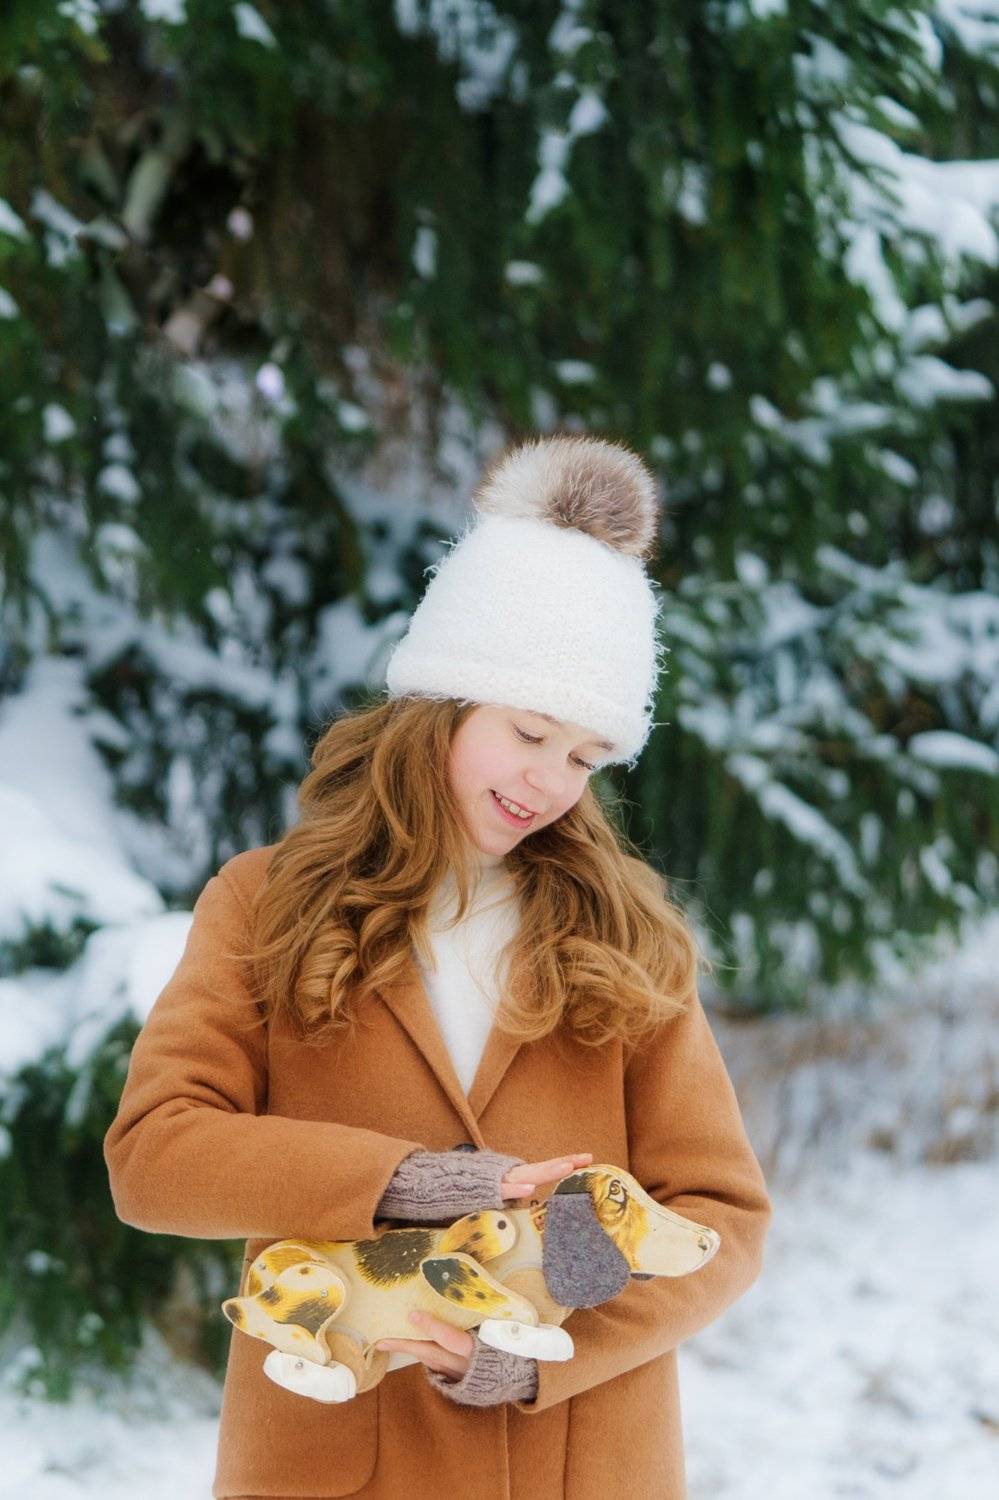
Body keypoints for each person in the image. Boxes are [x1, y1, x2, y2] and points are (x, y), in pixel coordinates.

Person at [103, 432, 773, 1500]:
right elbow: (155, 1157)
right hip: (336, 1461)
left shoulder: (625, 935)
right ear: (443, 706)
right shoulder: (264, 903)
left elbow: (720, 1218)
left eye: (584, 757)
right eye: (529, 733)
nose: (549, 782)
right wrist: (408, 1185)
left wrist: (541, 1359)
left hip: (576, 1462)